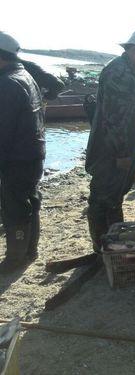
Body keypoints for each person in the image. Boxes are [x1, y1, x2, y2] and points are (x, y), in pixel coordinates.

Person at [85, 31, 135, 252]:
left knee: (112, 197)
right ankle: (103, 247)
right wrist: (123, 153)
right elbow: (115, 120)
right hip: (111, 152)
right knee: (103, 198)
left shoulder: (125, 71)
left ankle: (112, 243)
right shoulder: (120, 74)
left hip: (116, 149)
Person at [0, 32, 45, 272]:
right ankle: (30, 250)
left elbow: (3, 130)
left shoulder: (7, 83)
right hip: (33, 152)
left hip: (17, 157)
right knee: (31, 200)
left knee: (15, 206)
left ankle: (15, 258)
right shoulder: (25, 75)